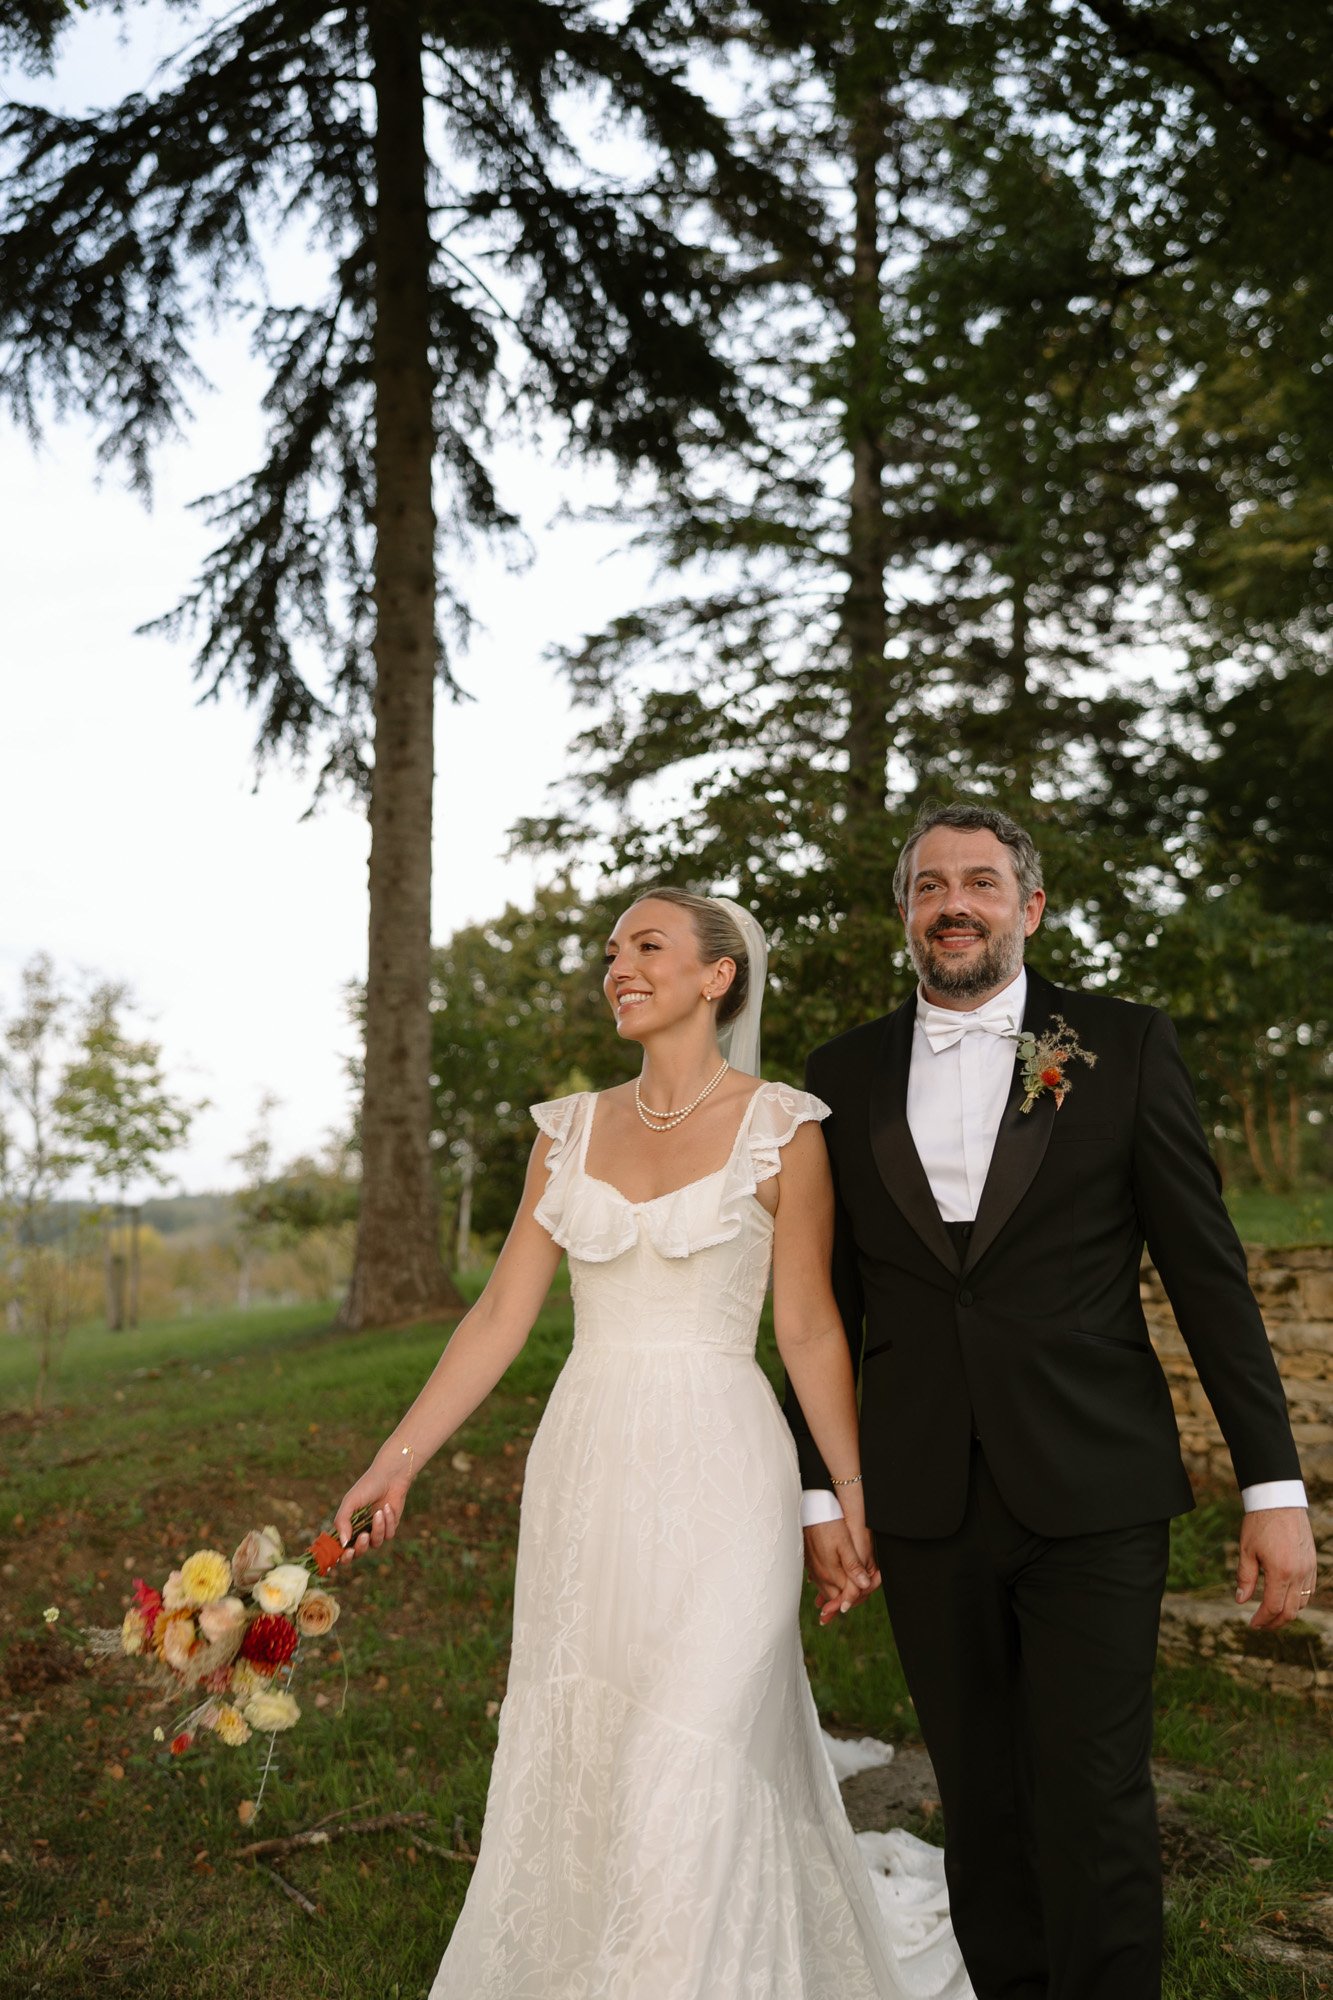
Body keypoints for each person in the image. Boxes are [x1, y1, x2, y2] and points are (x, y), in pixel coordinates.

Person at [335, 886, 971, 2000]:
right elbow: (497, 1317)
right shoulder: (566, 1131)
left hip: (729, 1474)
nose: (617, 966)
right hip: (589, 1471)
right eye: (612, 950)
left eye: (646, 945)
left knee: (695, 1753)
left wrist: (851, 1495)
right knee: (591, 1748)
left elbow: (810, 1325)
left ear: (717, 975)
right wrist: (396, 1460)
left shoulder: (786, 1126)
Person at [787, 800, 1317, 2000]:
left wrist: (1271, 1484)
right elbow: (821, 1303)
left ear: (1028, 907)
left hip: (1094, 1484)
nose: (954, 903)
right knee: (979, 1803)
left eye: (980, 882)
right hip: (921, 1492)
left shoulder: (1121, 1044)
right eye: (930, 886)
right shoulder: (839, 1074)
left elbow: (1206, 1273)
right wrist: (823, 1488)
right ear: (907, 916)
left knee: (1093, 1793)